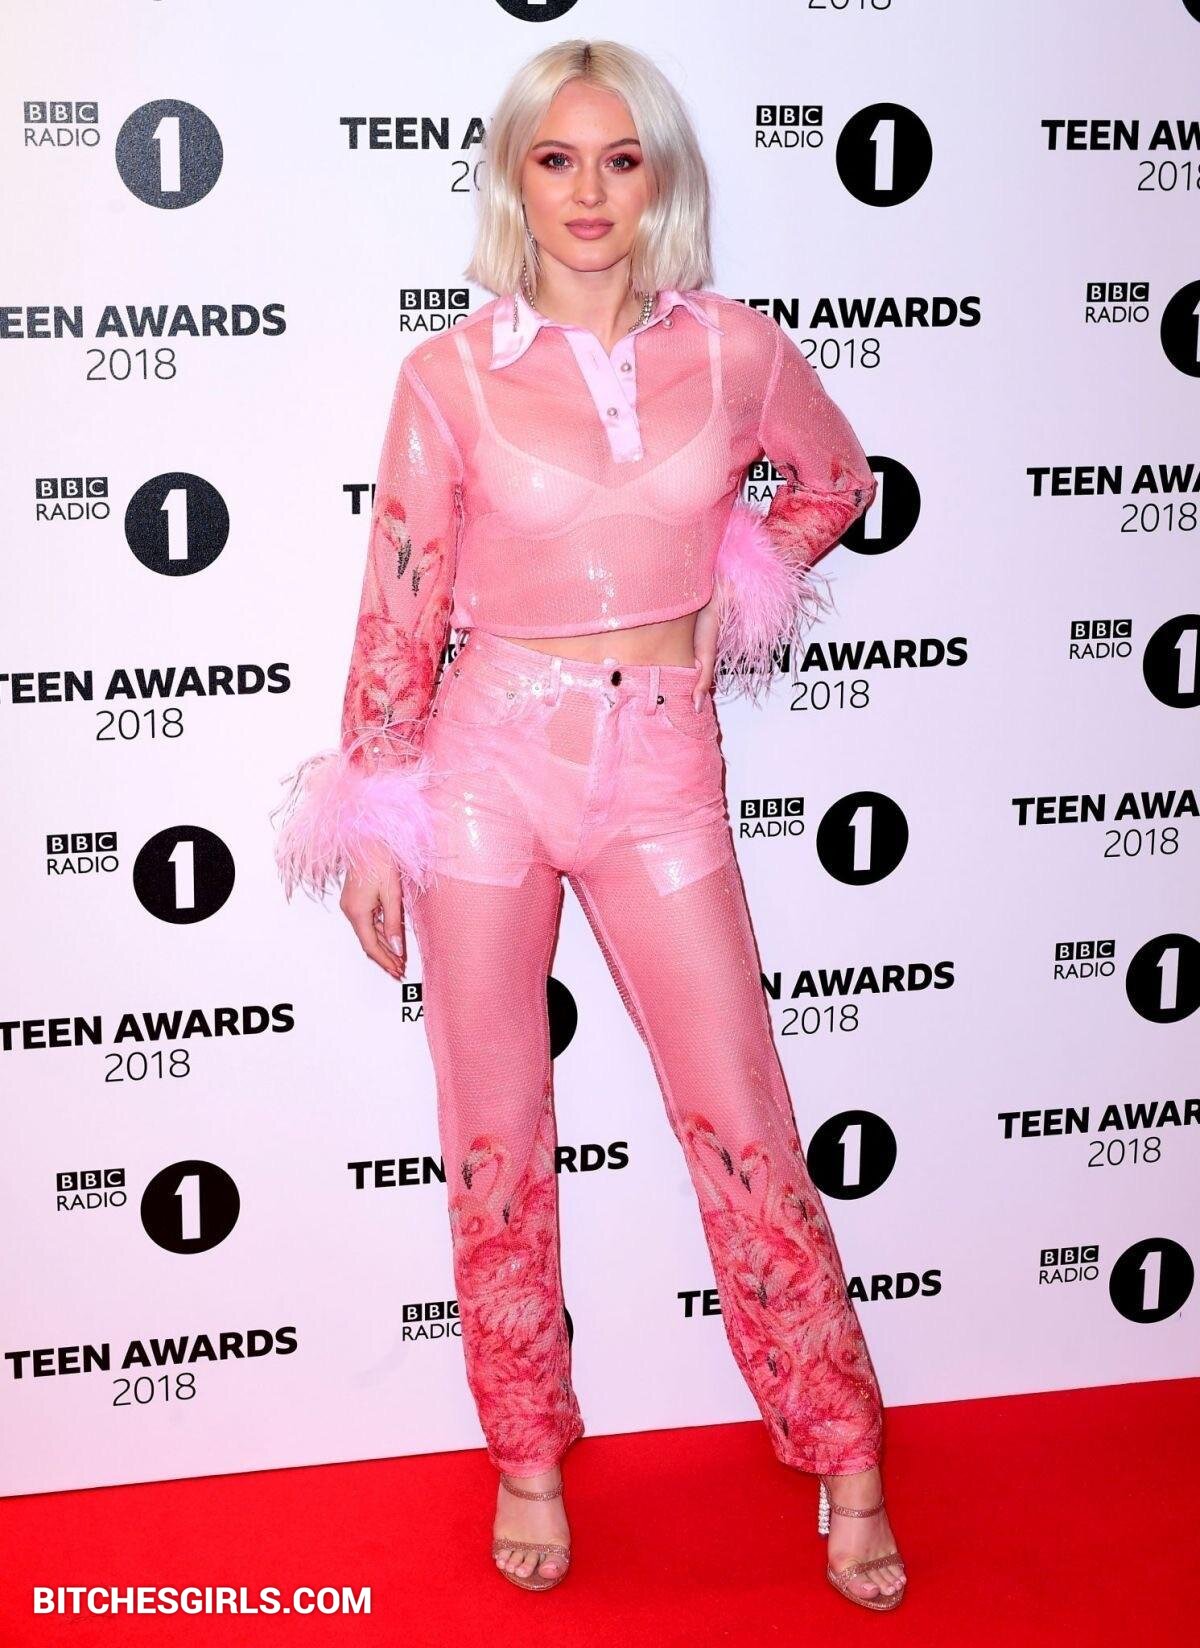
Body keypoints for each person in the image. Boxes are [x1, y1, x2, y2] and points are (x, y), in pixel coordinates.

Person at [271, 37, 906, 1612]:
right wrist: (374, 816)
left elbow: (834, 480)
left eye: (621, 159)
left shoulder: (737, 351)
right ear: (514, 179)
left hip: (663, 765)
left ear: (660, 179)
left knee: (741, 1110)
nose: (589, 192)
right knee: (495, 1128)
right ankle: (528, 1452)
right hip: (487, 767)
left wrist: (740, 584)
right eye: (557, 159)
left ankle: (844, 1449)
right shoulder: (448, 376)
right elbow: (401, 599)